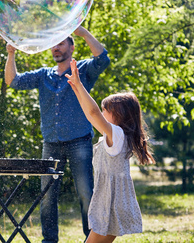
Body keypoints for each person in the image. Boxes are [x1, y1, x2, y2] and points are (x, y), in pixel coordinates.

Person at [4, 26, 110, 243]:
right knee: (47, 197)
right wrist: (11, 53)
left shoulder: (82, 69)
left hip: (80, 141)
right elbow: (12, 81)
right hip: (51, 144)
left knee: (86, 193)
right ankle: (49, 241)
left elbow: (103, 60)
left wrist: (84, 33)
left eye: (61, 43)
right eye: (53, 44)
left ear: (71, 47)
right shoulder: (44, 75)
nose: (56, 47)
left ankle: (91, 239)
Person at [65, 58, 155, 243]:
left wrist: (80, 85)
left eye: (106, 109)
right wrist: (76, 89)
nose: (102, 113)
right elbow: (90, 114)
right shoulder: (115, 136)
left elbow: (93, 114)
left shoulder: (117, 134)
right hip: (111, 203)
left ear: (119, 114)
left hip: (111, 204)